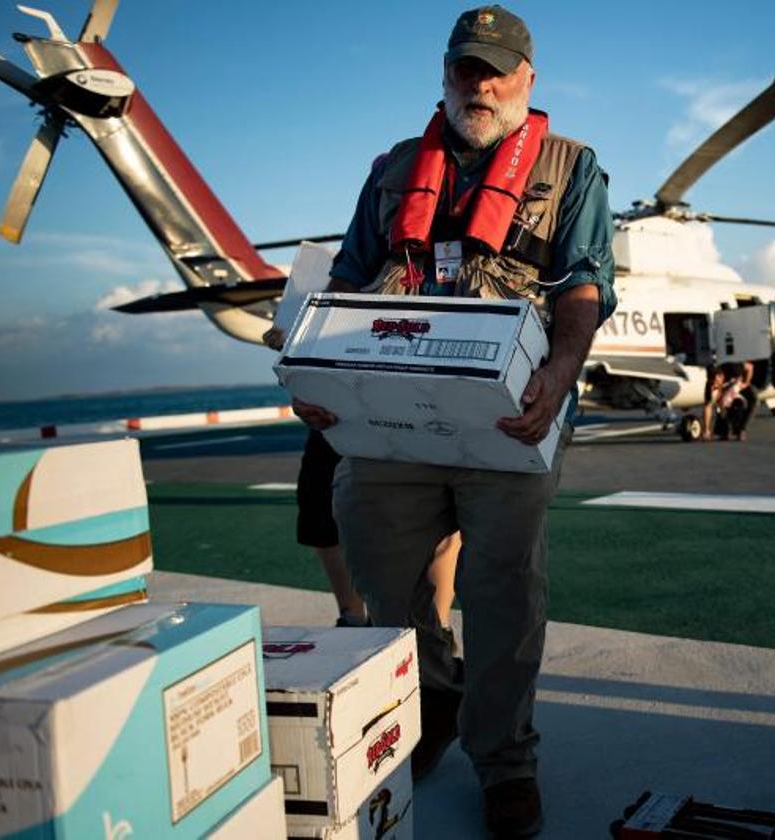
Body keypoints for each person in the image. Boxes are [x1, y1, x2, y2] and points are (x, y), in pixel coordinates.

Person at [292, 6, 616, 837]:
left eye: (496, 70)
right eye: (466, 68)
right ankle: (437, 692)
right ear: (444, 73)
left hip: (509, 420)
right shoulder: (395, 168)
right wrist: (314, 371)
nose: (480, 83)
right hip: (392, 418)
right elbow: (351, 279)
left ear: (527, 79)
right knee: (378, 565)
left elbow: (583, 284)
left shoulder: (571, 167)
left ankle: (505, 760)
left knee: (501, 590)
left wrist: (560, 372)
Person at [264, 326, 462, 629]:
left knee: (441, 519)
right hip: (340, 396)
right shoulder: (340, 277)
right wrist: (291, 335)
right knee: (320, 510)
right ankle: (353, 619)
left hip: (421, 389)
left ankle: (439, 633)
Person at [714, 360, 759, 441]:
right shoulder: (714, 383)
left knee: (754, 398)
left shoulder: (734, 367)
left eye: (719, 380)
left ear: (721, 375)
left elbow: (750, 367)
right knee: (721, 406)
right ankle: (724, 430)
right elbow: (717, 400)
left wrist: (746, 383)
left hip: (739, 385)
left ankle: (742, 429)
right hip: (727, 390)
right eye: (715, 381)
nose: (717, 382)